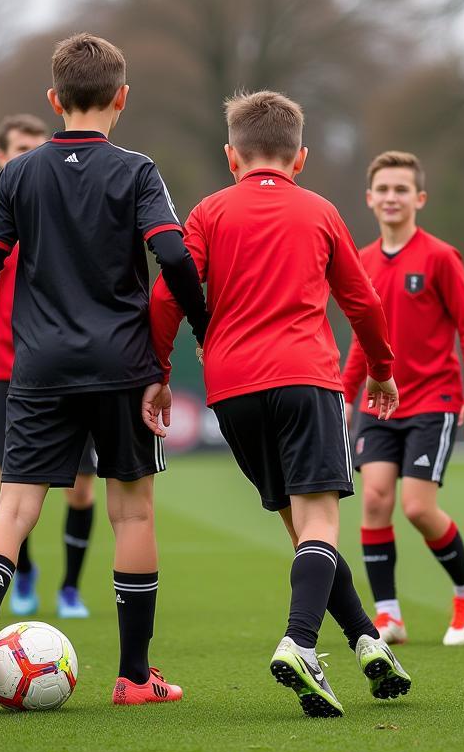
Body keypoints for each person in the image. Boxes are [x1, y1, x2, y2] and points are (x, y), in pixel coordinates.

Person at [0, 33, 209, 710]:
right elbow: (175, 259)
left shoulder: (18, 174)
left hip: (37, 368)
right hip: (123, 367)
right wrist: (205, 331)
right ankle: (133, 676)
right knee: (133, 511)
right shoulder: (138, 170)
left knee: (14, 508)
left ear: (53, 100)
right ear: (122, 97)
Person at [150, 90, 411, 719]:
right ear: (301, 158)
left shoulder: (210, 211)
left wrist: (159, 372)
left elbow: (166, 297)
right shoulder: (319, 211)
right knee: (320, 524)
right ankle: (301, 642)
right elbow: (365, 304)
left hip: (233, 392)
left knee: (303, 532)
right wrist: (380, 369)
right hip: (305, 379)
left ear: (231, 156)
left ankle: (368, 643)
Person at [342, 151, 464, 647]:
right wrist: (345, 394)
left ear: (419, 198)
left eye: (401, 189)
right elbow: (363, 337)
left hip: (434, 398)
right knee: (374, 499)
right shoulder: (361, 261)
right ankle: (389, 616)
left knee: (417, 507)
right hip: (378, 404)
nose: (391, 197)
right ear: (369, 198)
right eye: (383, 189)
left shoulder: (441, 257)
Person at [0, 114, 99, 620]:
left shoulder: (60, 216)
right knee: (10, 487)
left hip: (68, 366)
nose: (26, 154)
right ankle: (23, 575)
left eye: (35, 146)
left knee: (84, 485)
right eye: (18, 147)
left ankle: (70, 587)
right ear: (2, 158)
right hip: (8, 369)